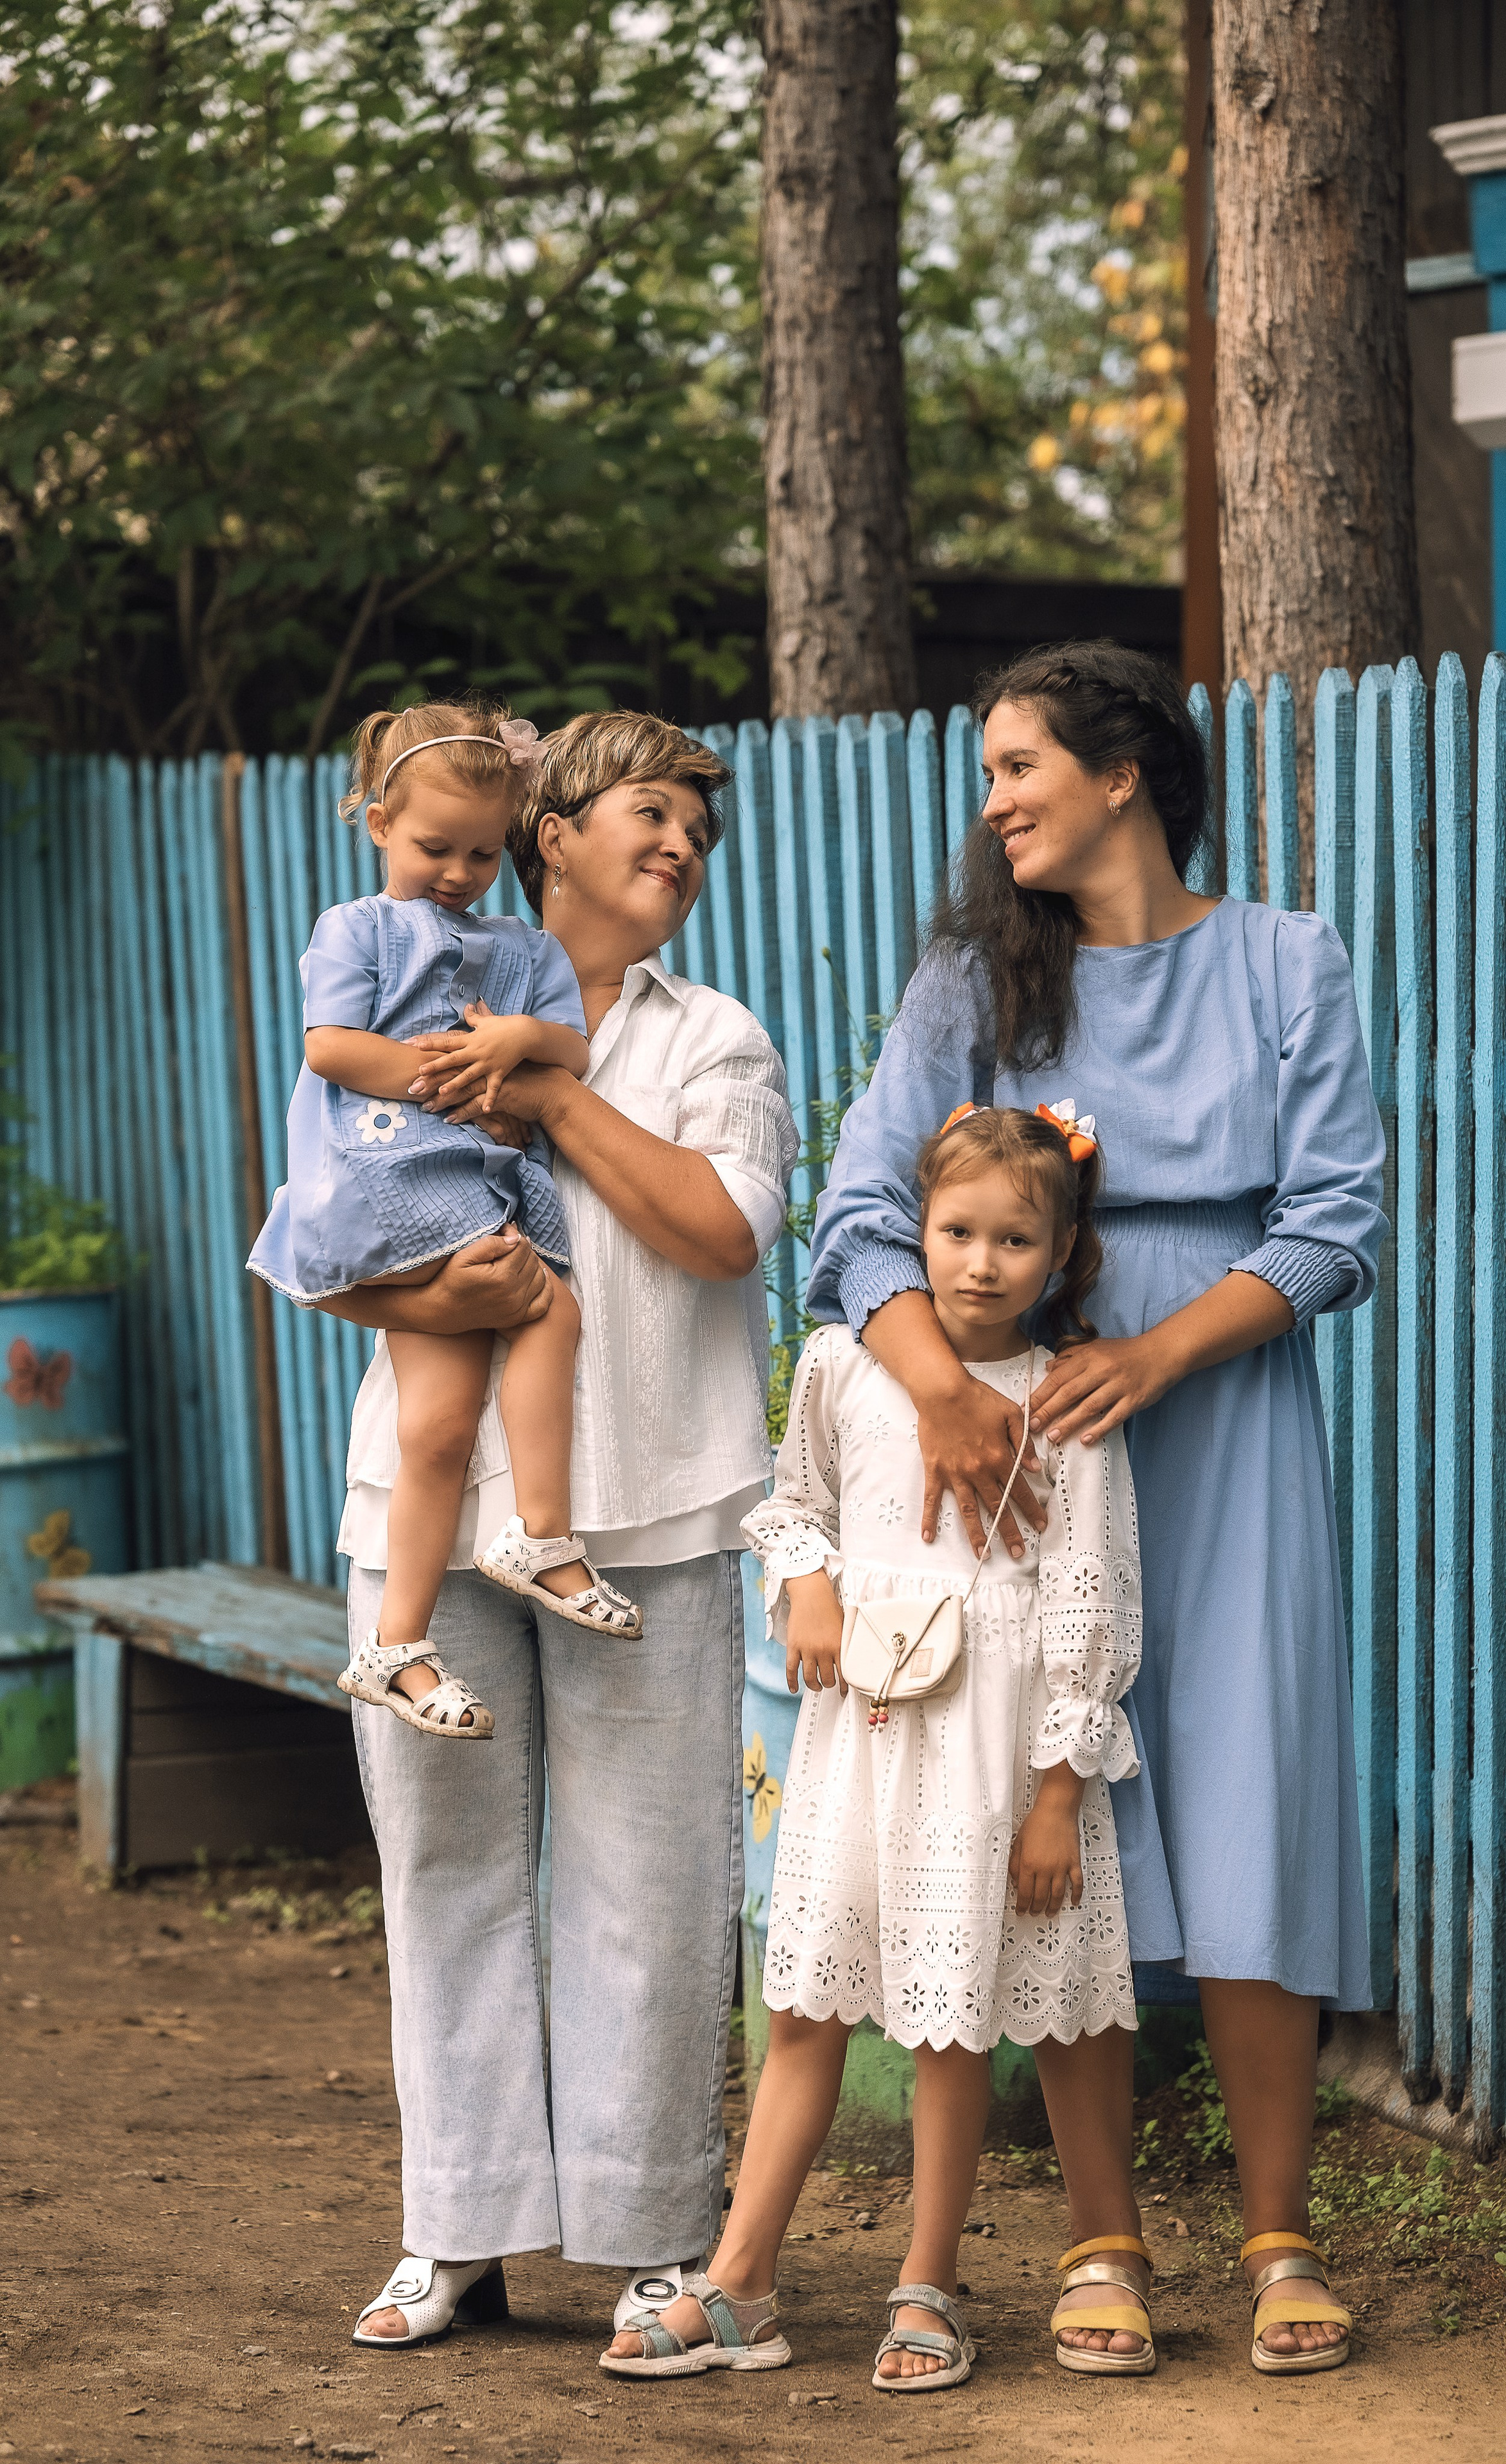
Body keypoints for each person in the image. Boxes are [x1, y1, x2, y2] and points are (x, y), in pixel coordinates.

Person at [804, 640, 1383, 2379]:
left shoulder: (1289, 958)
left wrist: (1163, 1350)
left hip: (1230, 1427)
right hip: (1022, 1457)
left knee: (1254, 1786)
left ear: (1122, 769)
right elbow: (851, 1222)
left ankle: (1283, 2235)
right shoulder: (975, 986)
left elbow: (1342, 1216)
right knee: (1052, 1824)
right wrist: (943, 1397)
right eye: (991, 775)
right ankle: (1102, 2240)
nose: (994, 804)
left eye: (1016, 766)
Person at [311, 712, 799, 2349]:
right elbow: (329, 1231)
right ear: (553, 833)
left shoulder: (709, 1037)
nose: (678, 848)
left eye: (696, 832)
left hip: (647, 1512)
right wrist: (415, 1280)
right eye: (649, 815)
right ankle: (456, 2226)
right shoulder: (400, 986)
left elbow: (718, 1232)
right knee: (441, 1866)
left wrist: (546, 1079)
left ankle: (654, 2222)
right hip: (426, 1513)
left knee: (650, 1879)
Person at [603, 1104, 1153, 2391]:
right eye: (956, 1232)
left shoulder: (1067, 1402)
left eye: (1015, 1239)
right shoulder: (844, 1369)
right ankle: (739, 2282)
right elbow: (789, 1502)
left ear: (1062, 1253)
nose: (978, 1263)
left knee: (948, 2025)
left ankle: (925, 2289)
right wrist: (805, 1584)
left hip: (993, 1759)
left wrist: (1055, 1796)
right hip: (864, 1740)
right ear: (914, 1232)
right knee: (800, 2008)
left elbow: (1092, 1609)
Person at [249, 702, 640, 1750]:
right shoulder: (359, 928)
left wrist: (518, 1036)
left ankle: (396, 1647)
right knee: (549, 1312)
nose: (458, 871)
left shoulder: (525, 948)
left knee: (437, 1426)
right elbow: (332, 1049)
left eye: (479, 851)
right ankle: (541, 1535)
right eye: (434, 847)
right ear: (380, 823)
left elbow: (572, 1053)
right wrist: (454, 1078)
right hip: (395, 1165)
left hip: (474, 1174)